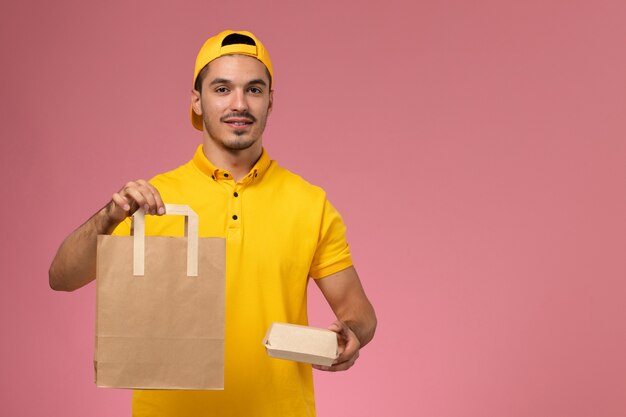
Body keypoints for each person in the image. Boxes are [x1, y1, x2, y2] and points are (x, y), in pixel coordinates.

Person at [49, 29, 376, 417]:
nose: (239, 103)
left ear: (271, 101)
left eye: (254, 90)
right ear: (197, 101)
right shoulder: (150, 200)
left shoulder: (309, 203)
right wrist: (109, 215)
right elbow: (61, 277)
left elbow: (360, 315)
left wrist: (350, 334)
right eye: (222, 89)